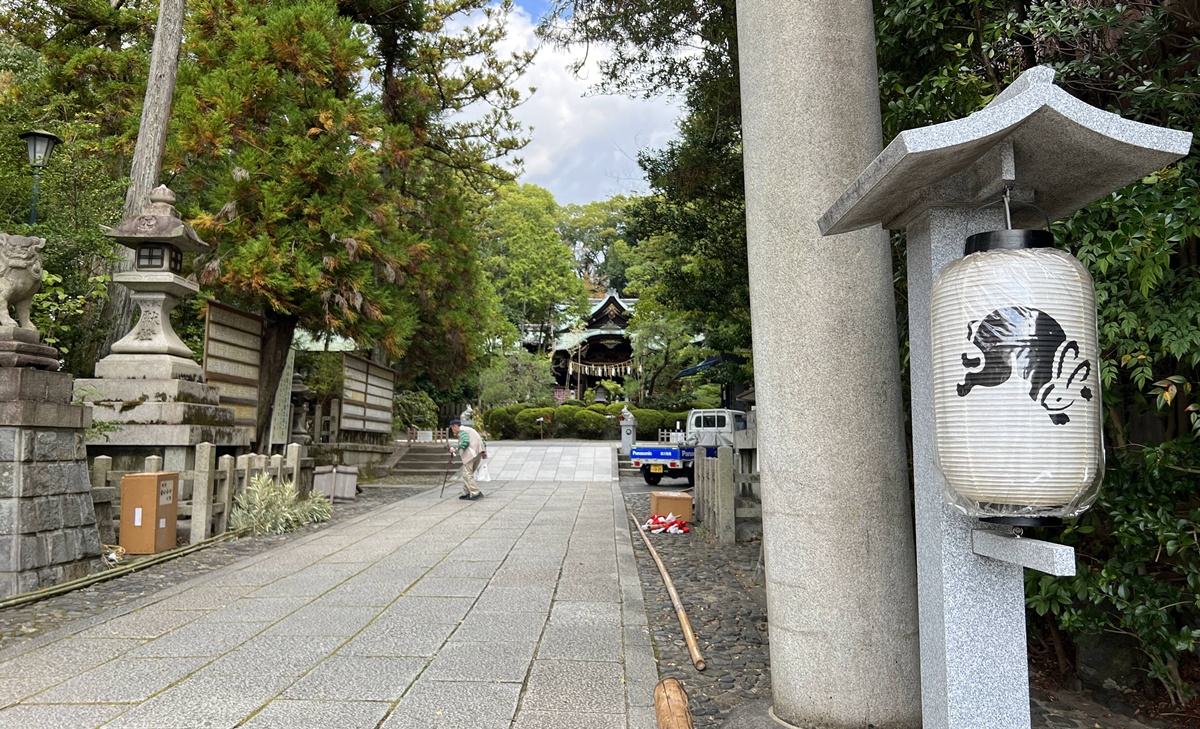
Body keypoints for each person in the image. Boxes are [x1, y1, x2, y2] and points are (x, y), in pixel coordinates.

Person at [448, 418, 486, 500]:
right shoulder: (469, 429)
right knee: (468, 474)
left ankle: (475, 493)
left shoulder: (462, 431)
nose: (452, 430)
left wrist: (456, 449)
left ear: (455, 426)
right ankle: (466, 492)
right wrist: (484, 451)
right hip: (478, 453)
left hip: (471, 455)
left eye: (452, 428)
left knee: (467, 474)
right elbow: (482, 440)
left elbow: (465, 442)